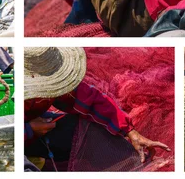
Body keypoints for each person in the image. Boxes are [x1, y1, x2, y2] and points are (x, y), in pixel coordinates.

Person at [24, 47, 169, 170]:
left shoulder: (56, 84)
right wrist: (29, 130)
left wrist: (130, 131)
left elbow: (92, 100)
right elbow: (3, 130)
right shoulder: (9, 94)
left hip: (38, 128)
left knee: (79, 128)